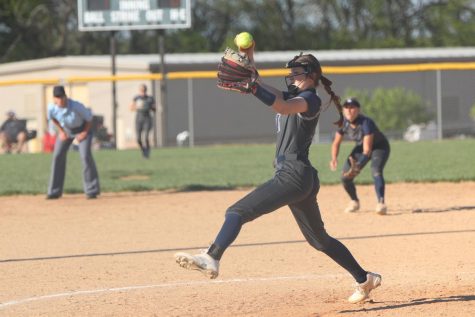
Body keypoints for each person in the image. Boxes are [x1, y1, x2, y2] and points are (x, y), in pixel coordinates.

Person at [174, 48, 382, 304]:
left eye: (298, 73)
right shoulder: (292, 95)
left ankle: (212, 256)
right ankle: (364, 278)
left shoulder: (310, 100)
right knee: (320, 241)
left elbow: (282, 107)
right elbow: (260, 83)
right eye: (291, 73)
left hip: (292, 175)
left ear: (313, 76)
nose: (292, 76)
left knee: (237, 211)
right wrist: (249, 56)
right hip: (300, 177)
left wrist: (252, 87)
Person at [330, 98, 390, 215]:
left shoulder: (366, 122)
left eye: (352, 107)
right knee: (345, 177)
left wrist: (357, 165)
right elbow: (336, 143)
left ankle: (381, 203)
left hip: (379, 147)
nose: (349, 110)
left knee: (376, 170)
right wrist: (334, 158)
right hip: (361, 147)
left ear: (358, 110)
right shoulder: (344, 123)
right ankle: (354, 201)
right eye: (346, 107)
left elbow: (367, 150)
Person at [46, 85, 100, 199]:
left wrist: (84, 133)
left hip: (82, 128)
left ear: (65, 96)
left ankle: (91, 191)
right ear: (54, 98)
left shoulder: (76, 106)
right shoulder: (52, 108)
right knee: (57, 156)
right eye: (57, 97)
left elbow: (89, 119)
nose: (59, 100)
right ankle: (54, 191)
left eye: (61, 97)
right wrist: (61, 131)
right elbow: (53, 119)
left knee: (85, 156)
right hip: (67, 131)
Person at [129, 84, 156, 158]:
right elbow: (131, 108)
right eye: (141, 90)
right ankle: (143, 150)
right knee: (138, 138)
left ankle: (147, 151)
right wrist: (138, 106)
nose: (143, 92)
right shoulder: (136, 98)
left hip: (147, 119)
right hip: (139, 119)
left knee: (146, 137)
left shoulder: (150, 98)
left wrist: (150, 106)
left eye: (144, 90)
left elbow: (154, 109)